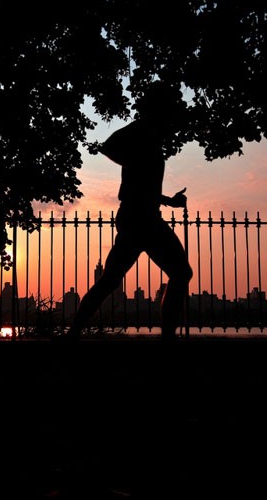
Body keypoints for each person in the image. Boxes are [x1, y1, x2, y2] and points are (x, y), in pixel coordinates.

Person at [69, 83, 193, 340]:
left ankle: (73, 332)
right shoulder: (142, 130)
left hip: (144, 217)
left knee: (111, 281)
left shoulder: (152, 134)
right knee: (174, 273)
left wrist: (168, 201)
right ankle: (167, 338)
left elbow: (143, 185)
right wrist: (133, 161)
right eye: (168, 105)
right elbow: (109, 146)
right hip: (139, 219)